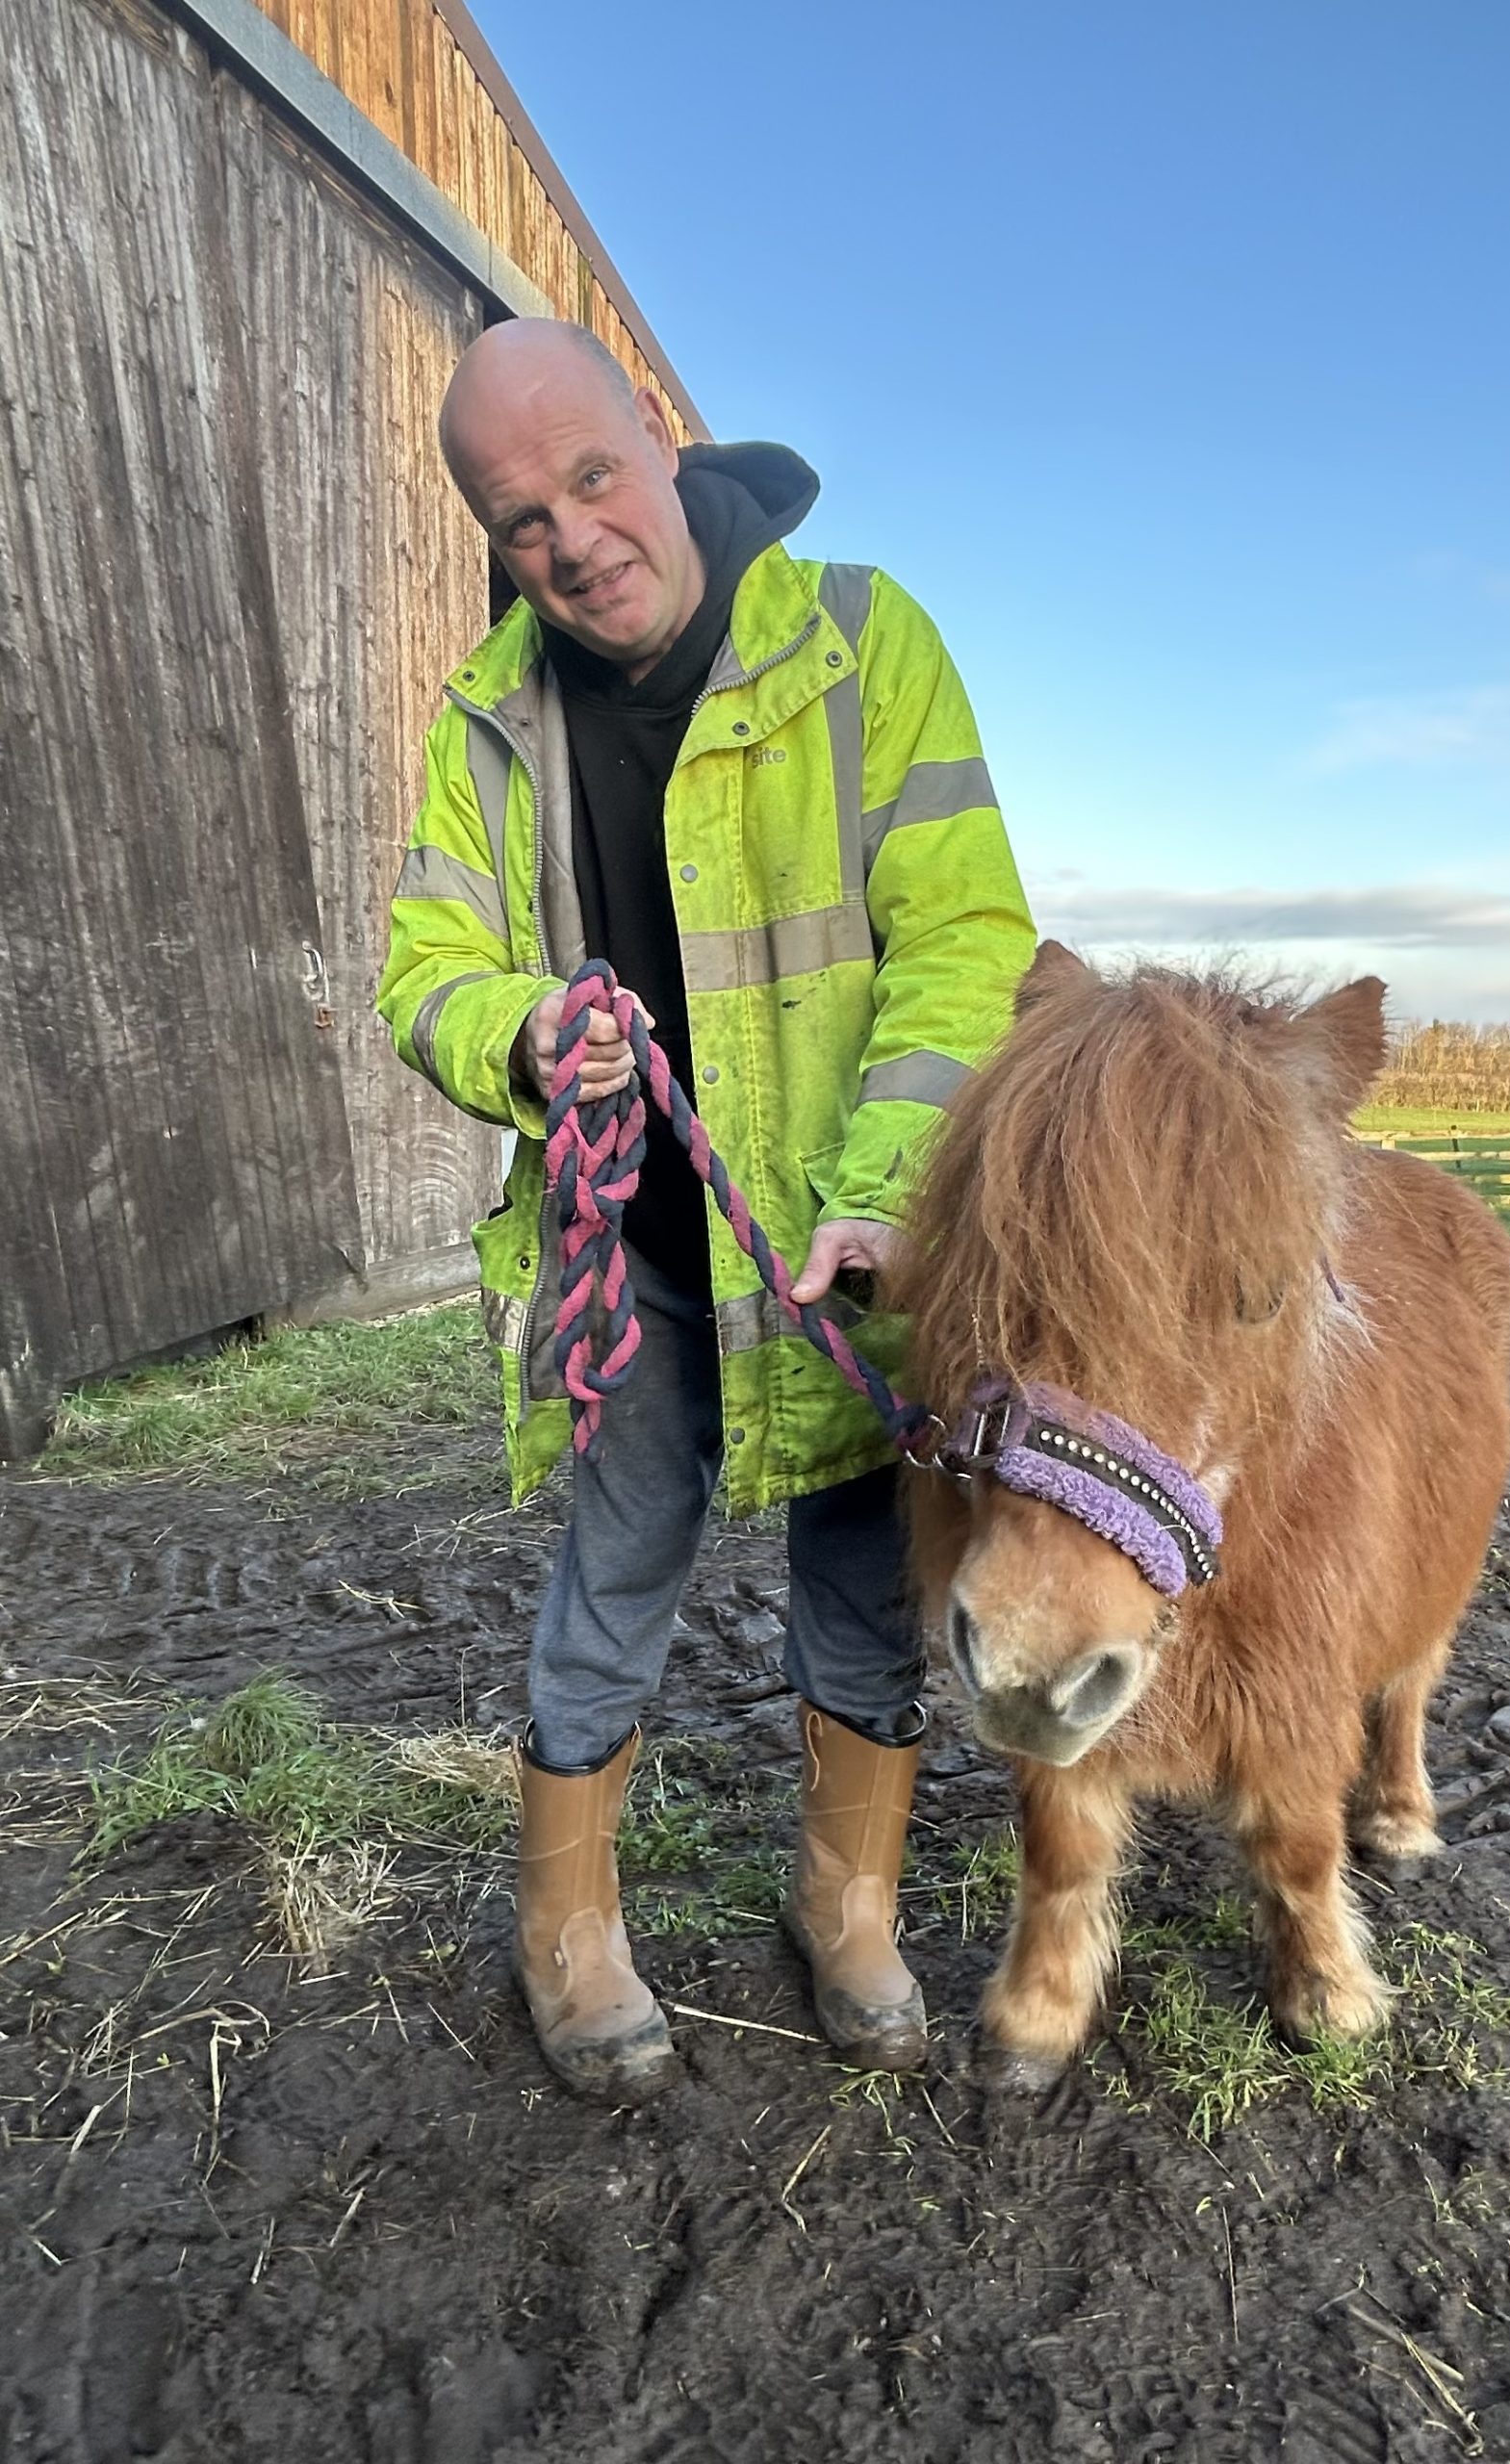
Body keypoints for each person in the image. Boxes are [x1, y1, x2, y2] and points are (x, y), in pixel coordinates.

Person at [377, 320, 1035, 2101]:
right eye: (521, 521)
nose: (573, 541)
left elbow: (971, 938)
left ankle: (852, 1907)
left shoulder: (866, 645)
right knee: (617, 1570)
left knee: (866, 1580)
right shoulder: (487, 724)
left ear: (658, 442)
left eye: (590, 479)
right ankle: (566, 1928)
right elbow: (419, 972)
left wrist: (891, 1193)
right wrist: (515, 1027)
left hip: (839, 1244)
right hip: (635, 1255)